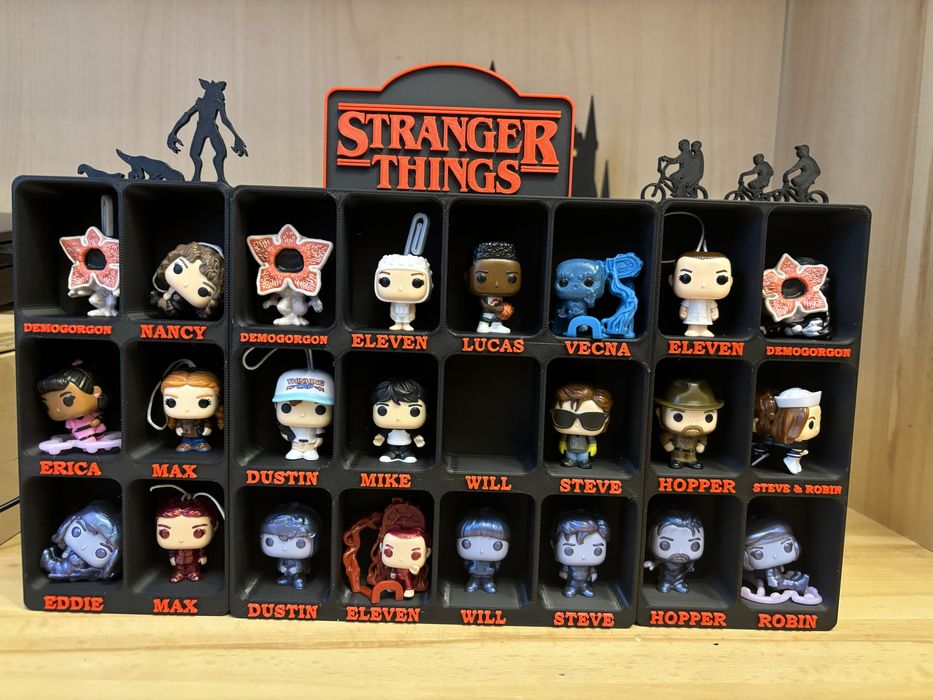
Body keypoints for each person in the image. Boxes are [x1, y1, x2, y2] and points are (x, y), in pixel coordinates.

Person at [655, 379, 723, 470]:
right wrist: (667, 444)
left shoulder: (699, 436)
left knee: (692, 458)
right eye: (678, 417)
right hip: (678, 451)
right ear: (660, 413)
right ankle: (677, 460)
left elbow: (703, 439)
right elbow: (664, 437)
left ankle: (692, 461)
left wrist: (702, 445)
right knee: (678, 457)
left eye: (708, 417)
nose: (693, 423)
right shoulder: (673, 434)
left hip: (692, 452)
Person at [260, 503, 322, 590]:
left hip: (296, 570)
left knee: (296, 573)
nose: (284, 548)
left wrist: (298, 569)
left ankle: (297, 579)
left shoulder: (301, 557)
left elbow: (302, 566)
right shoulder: (282, 557)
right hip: (286, 568)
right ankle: (286, 578)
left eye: (300, 543)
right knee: (285, 570)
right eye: (270, 541)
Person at [551, 383, 613, 469]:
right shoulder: (566, 435)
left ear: (605, 419)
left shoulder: (588, 437)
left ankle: (583, 461)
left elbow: (592, 441)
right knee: (570, 457)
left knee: (583, 458)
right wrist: (562, 444)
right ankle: (570, 460)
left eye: (590, 419)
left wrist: (593, 446)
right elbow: (563, 439)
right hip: (570, 450)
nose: (577, 424)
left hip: (583, 451)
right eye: (565, 417)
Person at [644, 509, 704, 593]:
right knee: (664, 586)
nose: (680, 552)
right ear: (650, 539)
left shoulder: (687, 562)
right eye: (665, 545)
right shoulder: (664, 560)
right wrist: (652, 563)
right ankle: (666, 582)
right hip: (666, 576)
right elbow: (658, 562)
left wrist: (690, 566)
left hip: (680, 576)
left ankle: (678, 583)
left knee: (679, 583)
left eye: (694, 546)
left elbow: (690, 567)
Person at [456, 509, 510, 594]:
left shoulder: (492, 561)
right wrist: (469, 567)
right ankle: (473, 584)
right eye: (467, 543)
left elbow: (497, 565)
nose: (481, 551)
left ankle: (488, 585)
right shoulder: (472, 560)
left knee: (487, 582)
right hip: (474, 573)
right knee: (474, 581)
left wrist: (494, 568)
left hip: (487, 574)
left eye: (496, 545)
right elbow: (466, 563)